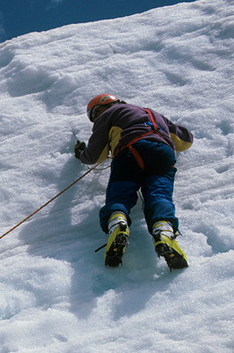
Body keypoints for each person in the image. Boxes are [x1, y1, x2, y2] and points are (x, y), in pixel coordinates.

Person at [74, 94, 193, 269]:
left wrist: (81, 153)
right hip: (163, 153)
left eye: (95, 115)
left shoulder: (108, 114)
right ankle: (163, 230)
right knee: (159, 194)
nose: (96, 119)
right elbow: (185, 140)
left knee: (120, 192)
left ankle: (118, 222)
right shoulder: (153, 113)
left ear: (100, 108)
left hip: (131, 150)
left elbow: (94, 156)